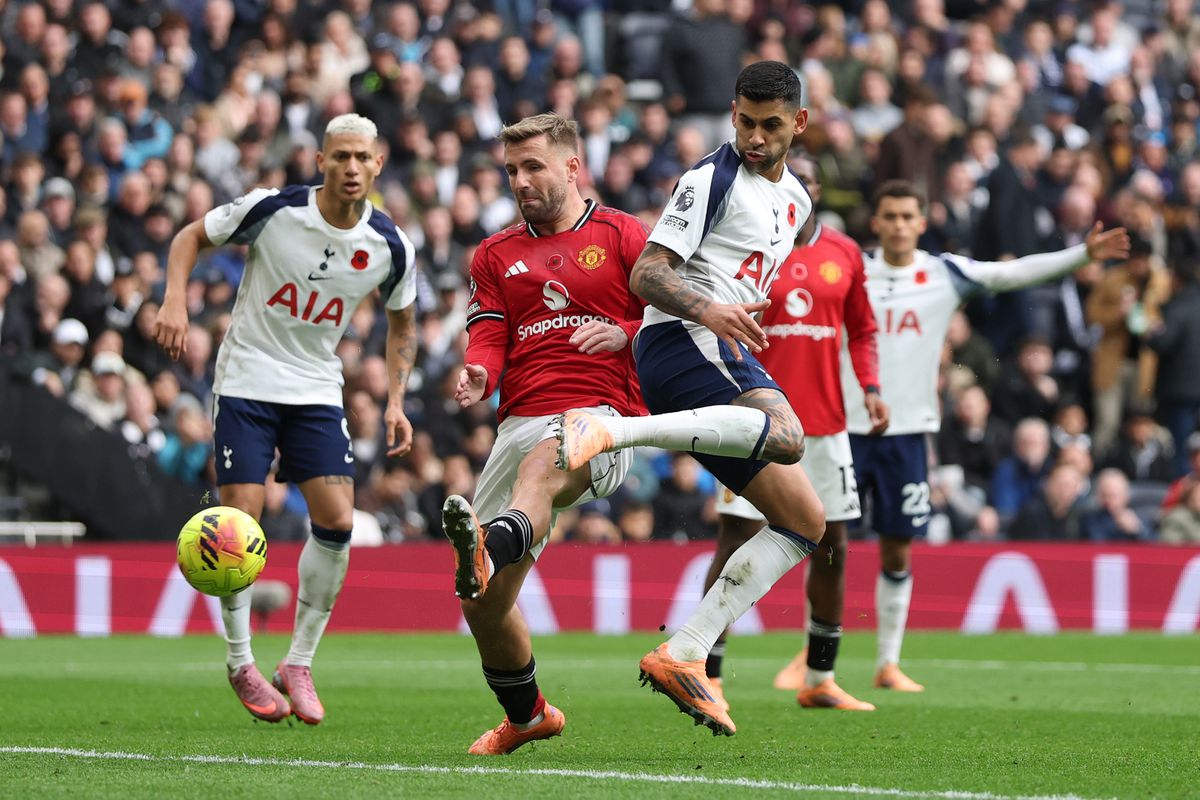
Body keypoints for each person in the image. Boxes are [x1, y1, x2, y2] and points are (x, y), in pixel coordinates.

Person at [555, 61, 820, 736]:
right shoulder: (711, 178)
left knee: (805, 523)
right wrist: (710, 309)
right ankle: (613, 432)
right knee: (788, 436)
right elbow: (648, 272)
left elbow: (779, 245)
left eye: (770, 125)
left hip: (720, 347)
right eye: (744, 122)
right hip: (690, 341)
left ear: (800, 123)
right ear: (731, 113)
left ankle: (684, 651)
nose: (754, 138)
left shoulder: (798, 202)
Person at [154, 113, 418, 726]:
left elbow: (402, 320)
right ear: (321, 160)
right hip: (247, 378)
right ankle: (240, 660)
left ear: (378, 165)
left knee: (337, 521)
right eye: (340, 157)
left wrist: (396, 399)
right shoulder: (274, 209)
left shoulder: (390, 244)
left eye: (362, 158)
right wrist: (173, 299)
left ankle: (297, 662)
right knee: (237, 523)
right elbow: (190, 235)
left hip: (316, 388)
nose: (351, 168)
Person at [832, 180, 1128, 689]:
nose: (900, 224)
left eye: (909, 216)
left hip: (908, 433)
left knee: (898, 546)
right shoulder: (852, 271)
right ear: (876, 223)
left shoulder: (943, 272)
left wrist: (1081, 256)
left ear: (922, 222)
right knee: (826, 545)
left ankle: (887, 663)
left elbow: (1010, 273)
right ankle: (817, 659)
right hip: (843, 428)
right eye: (891, 216)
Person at [439, 113, 649, 755]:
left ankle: (488, 542)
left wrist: (630, 333)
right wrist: (480, 369)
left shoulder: (623, 235)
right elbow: (491, 329)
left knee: (540, 466)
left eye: (533, 166)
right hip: (519, 417)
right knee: (482, 604)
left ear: (572, 167)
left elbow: (675, 320)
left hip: (602, 415)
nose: (521, 180)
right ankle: (529, 716)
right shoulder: (495, 252)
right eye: (511, 170)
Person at [706, 154, 888, 713]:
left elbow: (861, 329)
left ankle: (819, 676)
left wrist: (872, 386)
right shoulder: (751, 246)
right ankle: (705, 667)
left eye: (808, 179)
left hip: (827, 427)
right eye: (791, 179)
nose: (800, 187)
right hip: (756, 419)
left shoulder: (845, 253)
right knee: (736, 537)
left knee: (832, 545)